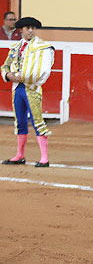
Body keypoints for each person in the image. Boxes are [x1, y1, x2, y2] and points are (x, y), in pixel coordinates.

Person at [1, 17, 54, 167]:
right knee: (20, 122)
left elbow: (43, 70)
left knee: (38, 121)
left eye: (33, 28)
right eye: (27, 28)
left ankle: (44, 158)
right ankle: (20, 155)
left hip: (32, 87)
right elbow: (6, 65)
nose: (30, 30)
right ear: (21, 30)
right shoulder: (16, 48)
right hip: (17, 89)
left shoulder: (43, 47)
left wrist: (21, 77)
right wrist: (8, 75)